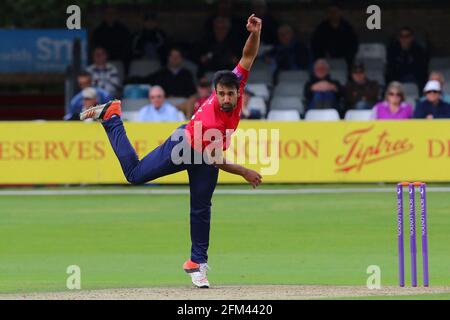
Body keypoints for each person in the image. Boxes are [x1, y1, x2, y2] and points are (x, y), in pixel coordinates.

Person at [79, 15, 263, 288]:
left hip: (207, 154)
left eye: (230, 94)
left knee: (201, 209)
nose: (226, 98)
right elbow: (215, 158)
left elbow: (247, 57)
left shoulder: (237, 83)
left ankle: (197, 264)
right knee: (135, 174)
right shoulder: (209, 120)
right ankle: (112, 117)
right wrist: (245, 171)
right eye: (221, 94)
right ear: (215, 92)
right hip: (185, 146)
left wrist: (255, 33)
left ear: (238, 92)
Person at [311, 2, 358, 68]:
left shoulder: (347, 28)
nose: (333, 14)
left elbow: (353, 45)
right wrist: (322, 55)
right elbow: (315, 45)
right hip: (326, 60)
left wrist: (346, 55)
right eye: (330, 11)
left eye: (335, 11)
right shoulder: (321, 29)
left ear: (340, 12)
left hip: (345, 60)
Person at [386, 27, 428, 92]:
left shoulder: (418, 50)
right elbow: (391, 67)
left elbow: (420, 68)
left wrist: (406, 53)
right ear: (398, 38)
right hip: (397, 79)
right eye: (401, 36)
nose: (404, 39)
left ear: (411, 38)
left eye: (407, 36)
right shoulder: (393, 50)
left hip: (415, 79)